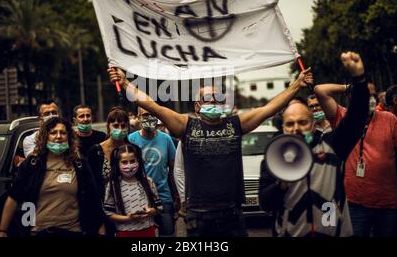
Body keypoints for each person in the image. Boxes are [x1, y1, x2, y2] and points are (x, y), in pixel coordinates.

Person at [108, 66, 312, 236]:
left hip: (232, 215)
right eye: (208, 99)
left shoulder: (235, 124)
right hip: (199, 217)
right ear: (198, 106)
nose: (213, 103)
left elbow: (270, 107)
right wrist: (125, 83)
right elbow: (151, 104)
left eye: (217, 99)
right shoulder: (185, 125)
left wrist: (297, 84)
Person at [259, 51, 369, 237]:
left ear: (312, 125)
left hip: (332, 231)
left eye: (302, 122)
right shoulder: (273, 158)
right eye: (290, 123)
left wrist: (359, 79)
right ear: (283, 127)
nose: (296, 128)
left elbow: (357, 116)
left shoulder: (332, 145)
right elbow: (265, 203)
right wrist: (282, 183)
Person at [314, 80, 397, 236]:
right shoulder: (342, 117)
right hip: (355, 204)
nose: (369, 99)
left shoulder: (390, 119)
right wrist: (348, 88)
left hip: (389, 203)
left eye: (372, 95)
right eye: (364, 95)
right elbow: (320, 90)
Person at [0, 117, 105, 237]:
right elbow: (13, 198)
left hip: (73, 232)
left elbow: (92, 197)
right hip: (37, 232)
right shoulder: (33, 163)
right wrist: (2, 231)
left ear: (68, 137)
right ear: (45, 136)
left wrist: (100, 227)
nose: (58, 136)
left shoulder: (79, 164)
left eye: (63, 133)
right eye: (53, 132)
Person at [128, 107, 179, 237]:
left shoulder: (166, 139)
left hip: (164, 197)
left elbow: (173, 170)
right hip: (139, 198)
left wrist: (177, 196)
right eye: (145, 115)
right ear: (138, 117)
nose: (149, 118)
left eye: (152, 114)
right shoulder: (131, 140)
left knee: (168, 234)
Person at [87, 106, 130, 237]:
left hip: (129, 208)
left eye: (123, 125)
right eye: (116, 125)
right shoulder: (96, 151)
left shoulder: (132, 150)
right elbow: (91, 187)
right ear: (108, 126)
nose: (120, 129)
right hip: (105, 211)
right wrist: (99, 220)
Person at [104, 144, 162, 237]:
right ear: (118, 164)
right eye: (124, 162)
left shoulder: (148, 182)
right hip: (125, 232)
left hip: (148, 230)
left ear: (138, 161)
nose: (129, 166)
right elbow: (109, 213)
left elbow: (158, 207)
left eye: (132, 161)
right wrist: (129, 218)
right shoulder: (113, 185)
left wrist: (151, 211)